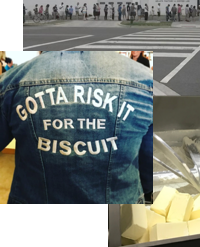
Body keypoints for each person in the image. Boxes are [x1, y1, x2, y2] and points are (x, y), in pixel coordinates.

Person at [0, 51, 153, 204]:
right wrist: (147, 191)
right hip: (120, 209)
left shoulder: (12, 81)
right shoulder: (146, 82)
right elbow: (148, 156)